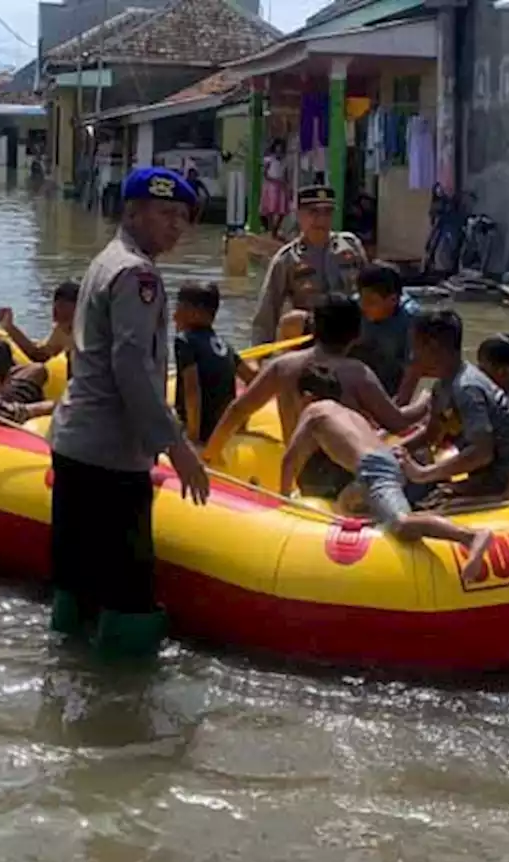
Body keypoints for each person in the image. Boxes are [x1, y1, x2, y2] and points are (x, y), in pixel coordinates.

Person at [48, 167, 211, 659]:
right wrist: (176, 445)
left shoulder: (104, 261)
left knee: (76, 580)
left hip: (77, 444)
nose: (175, 225)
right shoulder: (137, 274)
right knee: (128, 592)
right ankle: (125, 716)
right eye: (164, 213)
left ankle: (69, 693)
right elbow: (132, 368)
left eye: (182, 216)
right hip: (111, 457)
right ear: (132, 211)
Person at [282, 365, 493, 583]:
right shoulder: (348, 414)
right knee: (346, 504)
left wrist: (283, 499)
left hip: (374, 470)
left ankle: (470, 536)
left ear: (306, 396)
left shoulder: (313, 410)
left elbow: (290, 458)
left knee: (402, 523)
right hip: (380, 465)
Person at [204, 294, 427, 499]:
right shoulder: (357, 374)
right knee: (421, 457)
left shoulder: (282, 366)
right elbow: (397, 422)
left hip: (305, 477)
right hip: (342, 478)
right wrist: (425, 402)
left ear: (313, 329)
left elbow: (238, 410)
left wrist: (209, 457)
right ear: (357, 334)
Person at [396, 310, 509, 501]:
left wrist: (423, 473)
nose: (411, 354)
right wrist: (392, 452)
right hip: (489, 476)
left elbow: (481, 453)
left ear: (432, 346)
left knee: (433, 503)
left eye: (415, 346)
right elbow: (431, 434)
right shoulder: (441, 387)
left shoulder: (467, 387)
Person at [251, 184, 369, 345]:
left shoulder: (351, 246)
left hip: (351, 334)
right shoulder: (287, 259)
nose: (321, 220)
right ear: (299, 215)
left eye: (327, 212)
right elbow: (267, 311)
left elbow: (370, 291)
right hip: (313, 337)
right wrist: (259, 355)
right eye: (313, 212)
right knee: (293, 320)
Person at [173, 282, 257, 444]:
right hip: (224, 430)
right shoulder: (225, 344)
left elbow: (192, 391)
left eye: (179, 308)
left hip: (202, 433)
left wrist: (193, 438)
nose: (174, 316)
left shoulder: (184, 341)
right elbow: (254, 380)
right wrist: (241, 422)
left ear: (194, 312)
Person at [348, 261, 419, 397]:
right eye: (361, 298)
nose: (363, 306)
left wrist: (397, 409)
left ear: (392, 300)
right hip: (354, 384)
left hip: (389, 389)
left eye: (370, 302)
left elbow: (413, 370)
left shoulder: (411, 319)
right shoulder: (353, 308)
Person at [0, 279, 80, 368]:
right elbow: (39, 356)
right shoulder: (62, 329)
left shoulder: (90, 331)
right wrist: (9, 327)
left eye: (63, 309)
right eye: (56, 307)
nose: (55, 314)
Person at [261, 139, 288, 236]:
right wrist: (273, 180)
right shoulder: (269, 159)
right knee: (270, 208)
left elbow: (285, 174)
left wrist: (286, 185)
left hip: (281, 185)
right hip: (271, 185)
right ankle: (271, 229)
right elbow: (265, 173)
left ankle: (275, 229)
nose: (279, 150)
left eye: (281, 148)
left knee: (282, 210)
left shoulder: (284, 161)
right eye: (277, 147)